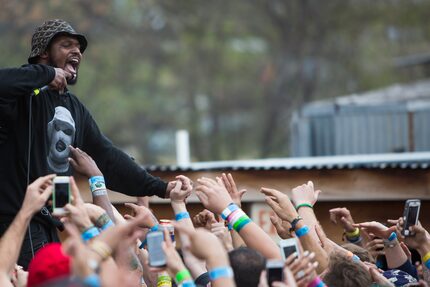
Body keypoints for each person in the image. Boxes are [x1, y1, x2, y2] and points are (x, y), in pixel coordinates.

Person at [0, 19, 178, 269]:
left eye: (79, 48)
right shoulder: (20, 95)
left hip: (48, 225)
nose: (77, 52)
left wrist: (162, 188)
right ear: (42, 53)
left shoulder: (74, 108)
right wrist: (47, 74)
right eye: (66, 45)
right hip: (13, 221)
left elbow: (107, 158)